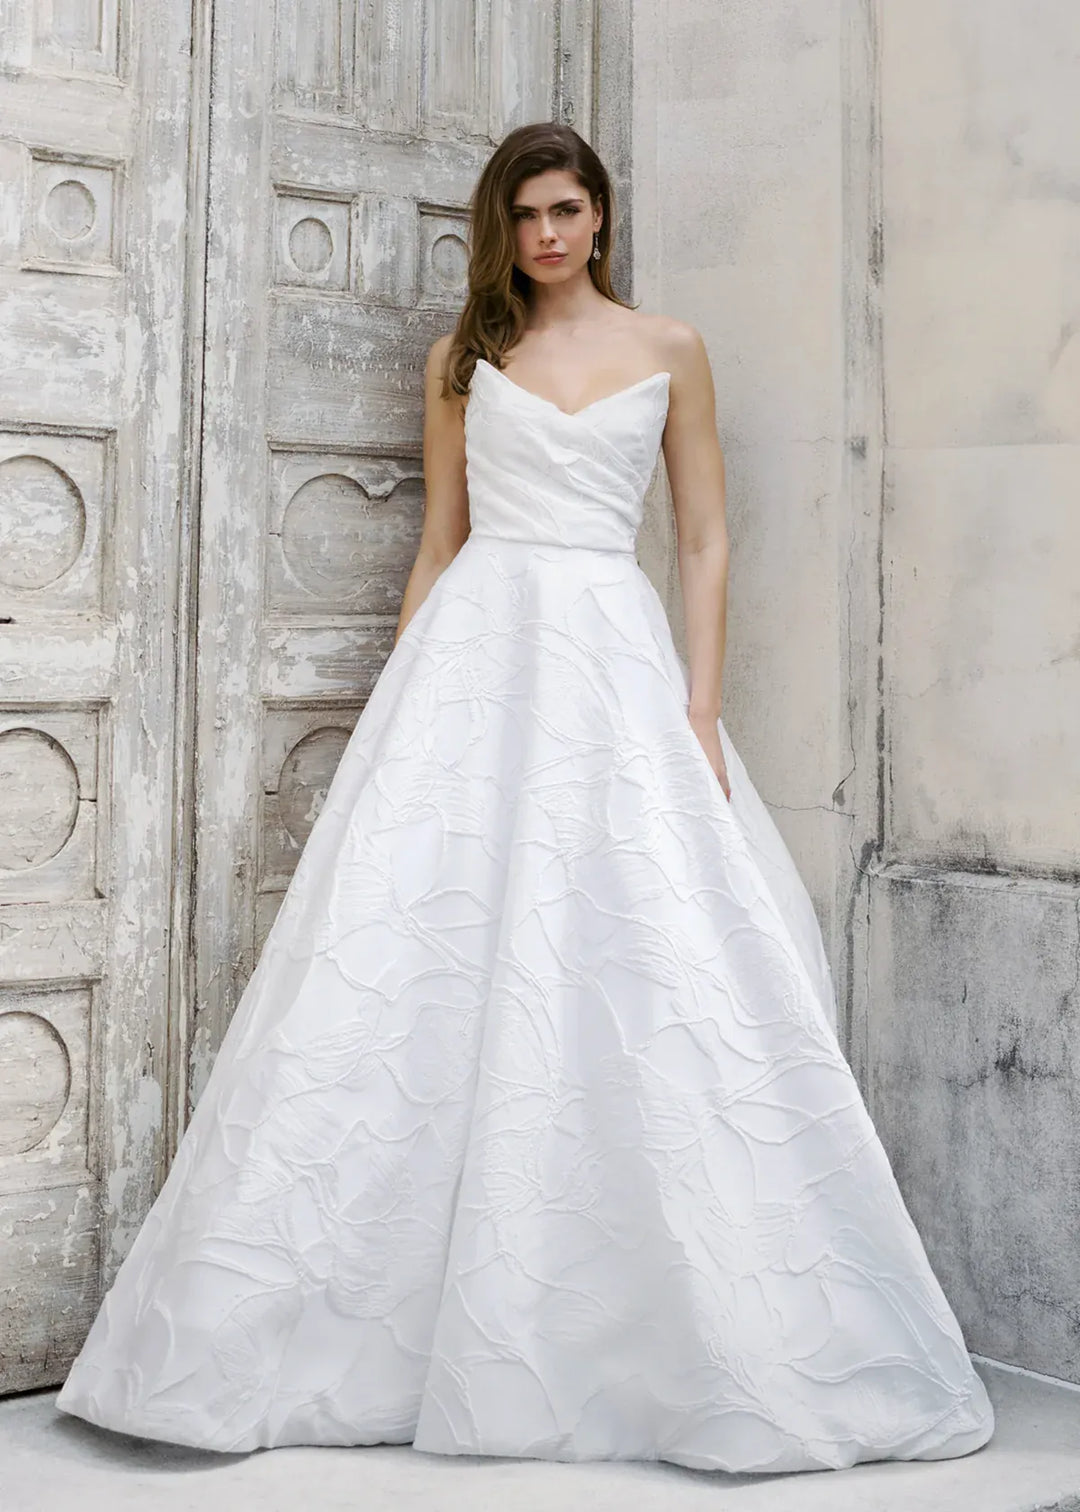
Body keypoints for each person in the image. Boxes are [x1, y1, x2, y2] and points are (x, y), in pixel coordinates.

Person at [55, 121, 994, 1474]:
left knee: (629, 947)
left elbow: (709, 536)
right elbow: (442, 540)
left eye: (566, 210)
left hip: (610, 656)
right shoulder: (465, 358)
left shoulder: (670, 347)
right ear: (504, 229)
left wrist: (702, 710)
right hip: (478, 654)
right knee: (426, 959)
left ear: (601, 219)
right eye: (525, 215)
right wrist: (399, 701)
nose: (547, 234)